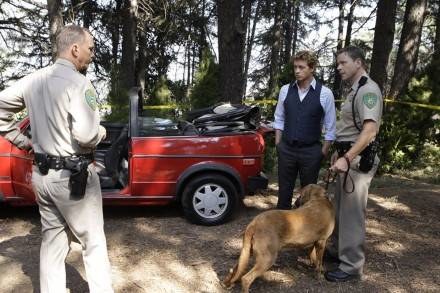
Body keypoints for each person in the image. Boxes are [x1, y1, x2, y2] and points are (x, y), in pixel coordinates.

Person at [0, 25, 113, 292]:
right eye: (90, 48)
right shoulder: (80, 83)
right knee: (93, 242)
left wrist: (24, 142)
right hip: (73, 179)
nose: (92, 55)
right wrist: (102, 131)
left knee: (52, 242)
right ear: (75, 49)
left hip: (42, 177)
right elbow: (86, 135)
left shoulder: (33, 80)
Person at [324, 46, 383, 282]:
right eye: (337, 63)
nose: (339, 67)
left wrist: (346, 157)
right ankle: (338, 252)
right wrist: (338, 154)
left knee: (351, 214)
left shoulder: (368, 90)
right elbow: (349, 128)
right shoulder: (354, 90)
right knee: (339, 209)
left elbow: (369, 131)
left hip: (357, 160)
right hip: (347, 157)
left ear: (358, 63)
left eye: (343, 63)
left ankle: (351, 266)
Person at [273, 50, 336, 209]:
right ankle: (282, 229)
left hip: (311, 152)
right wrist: (278, 144)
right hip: (286, 149)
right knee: (284, 193)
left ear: (312, 68)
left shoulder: (325, 93)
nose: (297, 71)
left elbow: (331, 127)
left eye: (301, 67)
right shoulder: (285, 90)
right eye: (295, 67)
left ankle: (305, 230)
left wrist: (321, 153)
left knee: (309, 197)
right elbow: (279, 118)